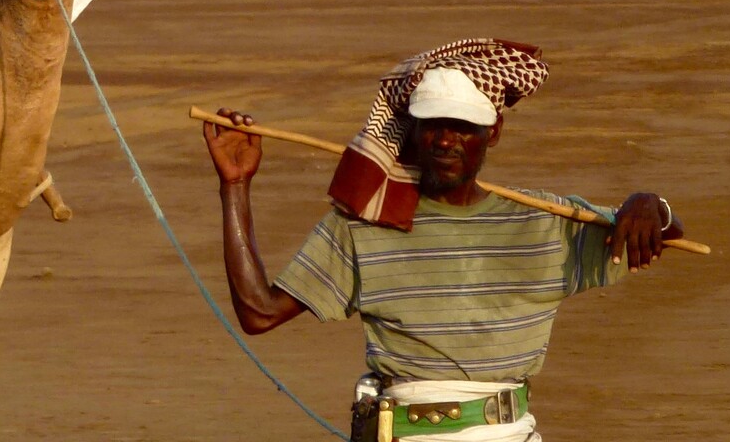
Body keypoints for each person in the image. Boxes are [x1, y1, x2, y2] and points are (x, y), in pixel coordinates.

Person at [201, 65, 685, 441]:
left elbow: (660, 232)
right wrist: (236, 186)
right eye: (433, 125)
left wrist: (650, 204)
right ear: (413, 130)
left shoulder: (548, 222)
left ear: (491, 133)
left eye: (462, 127)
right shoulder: (366, 223)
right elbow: (259, 313)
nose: (446, 140)